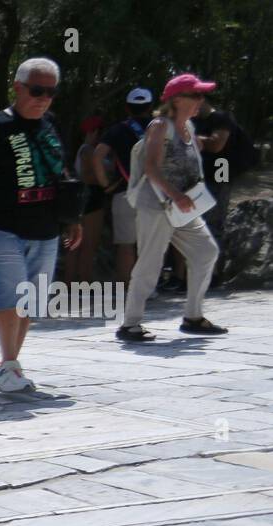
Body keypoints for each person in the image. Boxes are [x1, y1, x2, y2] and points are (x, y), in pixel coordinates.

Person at [0, 56, 80, 393]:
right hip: (0, 227)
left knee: (29, 301)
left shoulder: (50, 125)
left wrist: (72, 218)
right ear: (18, 88)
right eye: (36, 90)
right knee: (10, 297)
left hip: (45, 226)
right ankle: (9, 364)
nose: (43, 98)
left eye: (50, 92)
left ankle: (10, 361)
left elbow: (61, 171)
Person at [115, 74, 224, 342]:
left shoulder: (188, 126)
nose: (201, 100)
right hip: (157, 204)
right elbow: (151, 168)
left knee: (206, 251)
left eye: (201, 95)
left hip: (181, 206)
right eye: (195, 95)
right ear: (176, 99)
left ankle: (193, 317)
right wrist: (175, 195)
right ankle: (130, 324)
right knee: (150, 262)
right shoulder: (160, 126)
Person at [94, 88, 153, 285]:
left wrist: (105, 184)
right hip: (156, 193)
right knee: (151, 244)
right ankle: (147, 288)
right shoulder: (160, 129)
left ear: (127, 108)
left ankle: (127, 287)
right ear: (150, 107)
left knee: (125, 245)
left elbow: (98, 156)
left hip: (124, 191)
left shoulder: (117, 130)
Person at [193, 98, 241, 276]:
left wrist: (192, 138)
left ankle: (213, 274)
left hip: (220, 173)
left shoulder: (222, 118)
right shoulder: (194, 121)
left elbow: (216, 145)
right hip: (200, 177)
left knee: (214, 224)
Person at [66, 115, 106, 283]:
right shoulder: (89, 151)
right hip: (92, 196)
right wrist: (107, 183)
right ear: (94, 132)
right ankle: (84, 282)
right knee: (89, 243)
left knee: (75, 244)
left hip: (82, 198)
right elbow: (88, 176)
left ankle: (70, 282)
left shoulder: (83, 149)